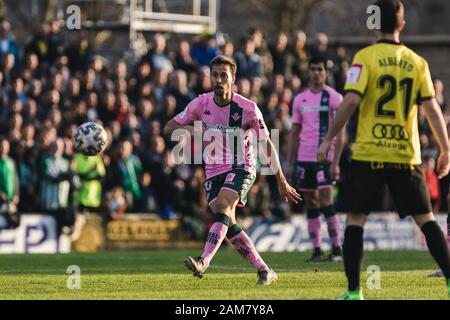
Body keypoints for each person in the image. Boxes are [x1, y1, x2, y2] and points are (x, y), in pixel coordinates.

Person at [317, 0, 450, 299]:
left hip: (369, 154)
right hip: (406, 155)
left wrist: (328, 139)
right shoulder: (418, 63)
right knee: (426, 220)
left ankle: (354, 293)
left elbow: (350, 102)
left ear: (374, 24)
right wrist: (446, 150)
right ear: (402, 25)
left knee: (355, 219)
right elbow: (432, 109)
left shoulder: (364, 57)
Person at [164, 55, 301, 285]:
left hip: (242, 165)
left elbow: (267, 144)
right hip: (214, 169)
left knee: (224, 206)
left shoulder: (248, 109)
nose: (218, 80)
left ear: (233, 78)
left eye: (223, 75)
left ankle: (203, 261)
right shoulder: (200, 103)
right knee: (226, 222)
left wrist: (281, 180)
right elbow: (170, 128)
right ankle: (265, 270)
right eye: (214, 75)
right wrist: (192, 132)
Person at [287, 55, 345, 262]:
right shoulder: (300, 99)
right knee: (311, 202)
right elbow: (294, 133)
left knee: (326, 201)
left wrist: (336, 162)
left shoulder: (335, 98)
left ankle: (337, 249)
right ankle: (317, 250)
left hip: (325, 158)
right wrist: (288, 162)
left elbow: (342, 134)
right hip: (304, 158)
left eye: (320, 69)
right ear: (308, 72)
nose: (316, 73)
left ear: (326, 73)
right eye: (313, 69)